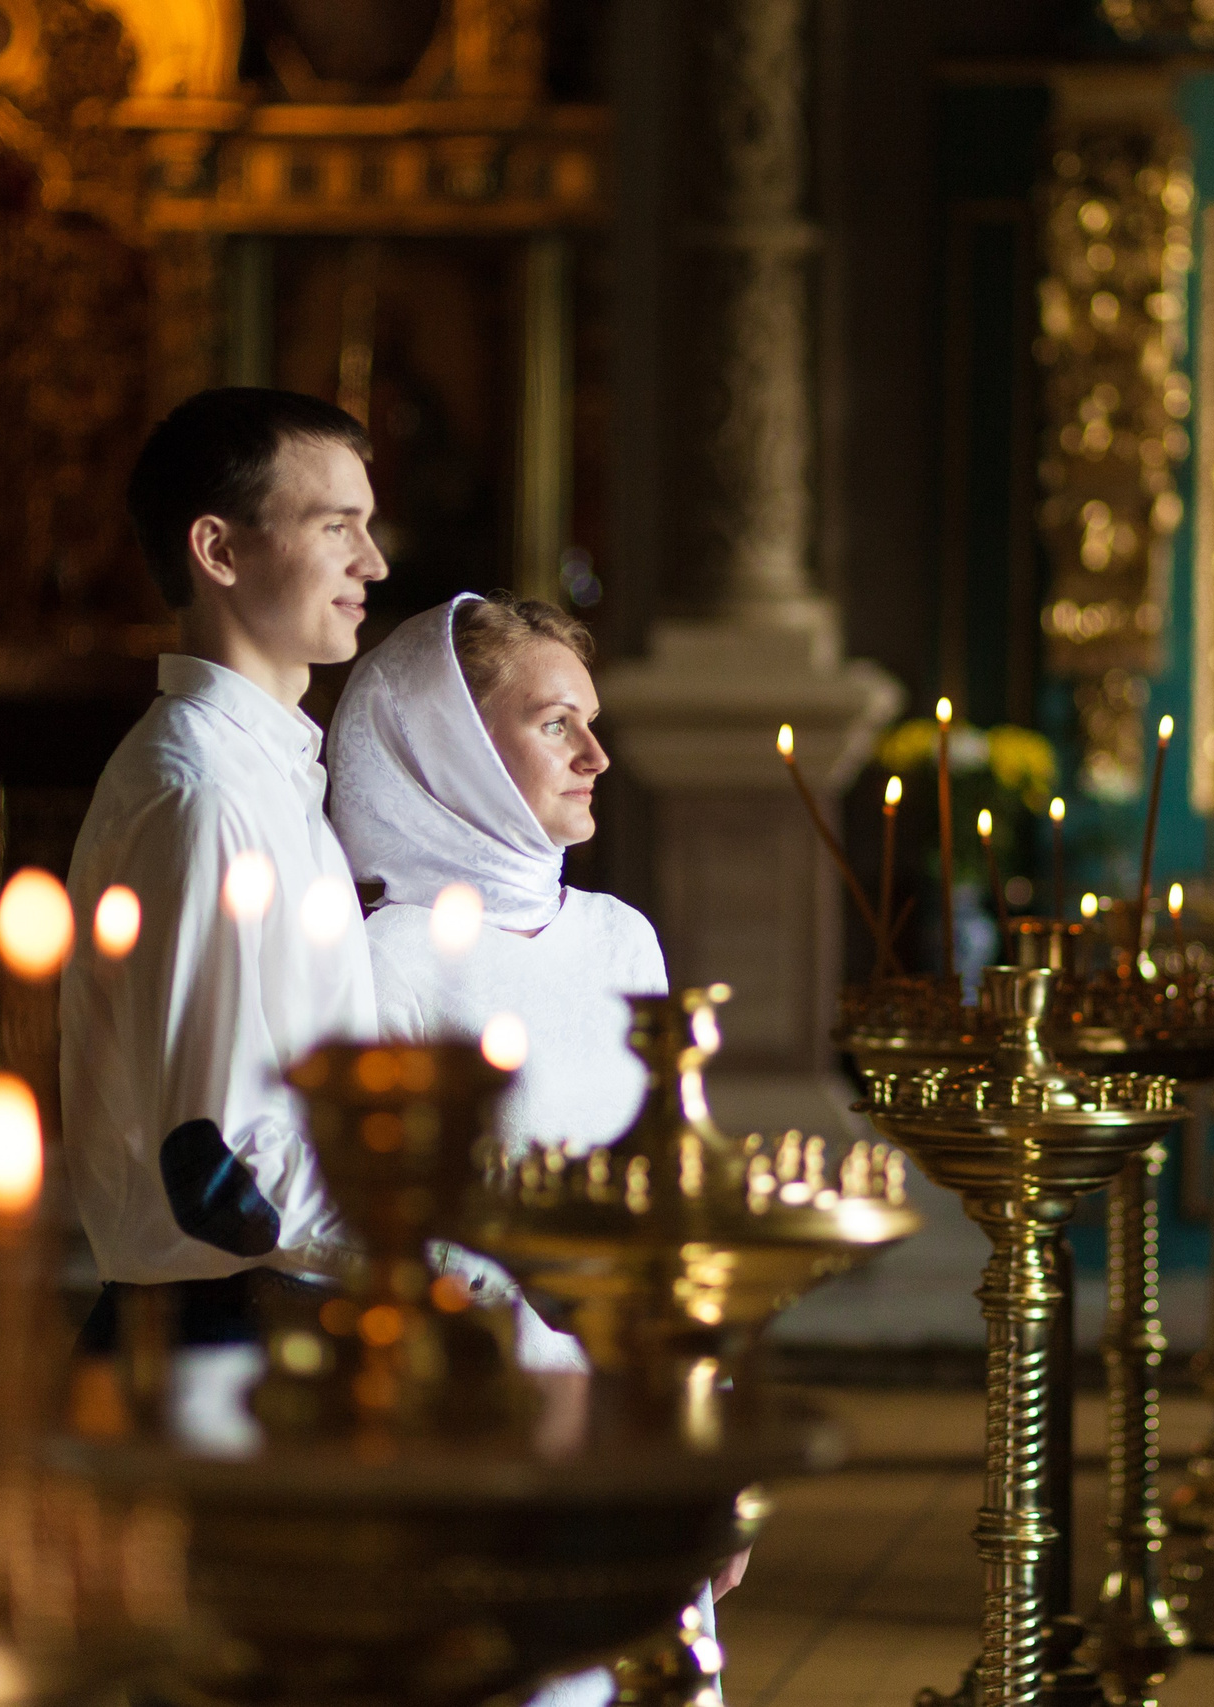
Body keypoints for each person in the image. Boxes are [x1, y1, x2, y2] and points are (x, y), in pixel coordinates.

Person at [326, 592, 739, 1705]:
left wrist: (706, 1437)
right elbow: (383, 1226)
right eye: (554, 723)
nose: (596, 755)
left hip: (639, 1427)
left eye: (589, 722)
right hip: (488, 1435)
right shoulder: (392, 956)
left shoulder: (620, 937)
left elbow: (673, 1204)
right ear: (448, 744)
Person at [59, 387, 388, 1361]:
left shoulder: (266, 775)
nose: (372, 563)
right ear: (219, 550)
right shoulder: (201, 795)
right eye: (337, 527)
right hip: (226, 1339)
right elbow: (216, 1172)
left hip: (270, 1310)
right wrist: (428, 1218)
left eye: (367, 528)